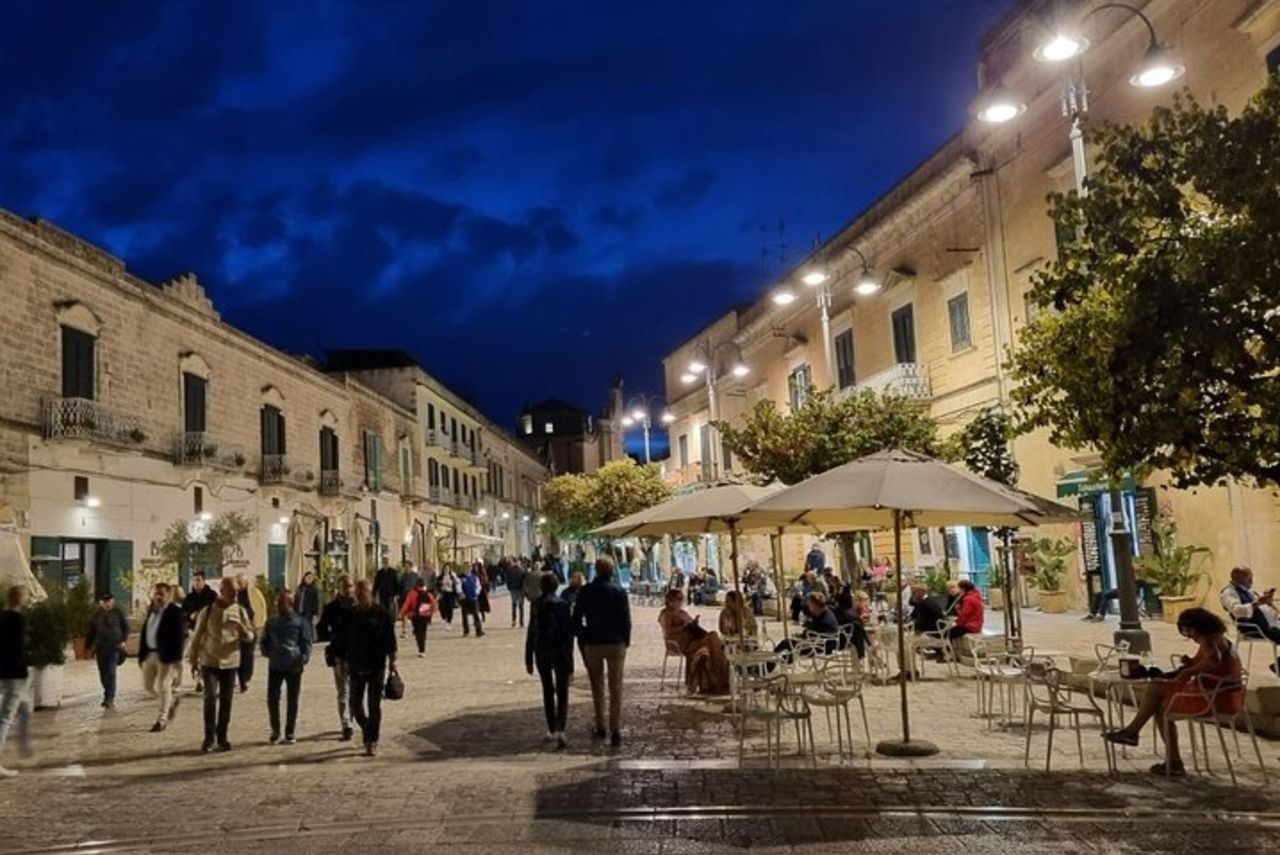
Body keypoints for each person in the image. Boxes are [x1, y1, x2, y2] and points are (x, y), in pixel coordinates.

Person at [1104, 608, 1244, 775]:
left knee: (1156, 687)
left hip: (1212, 699)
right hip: (1228, 697)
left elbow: (1214, 660)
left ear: (1196, 628)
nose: (1188, 636)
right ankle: (1172, 760)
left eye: (1187, 631)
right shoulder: (1219, 639)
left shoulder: (1209, 641)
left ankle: (1133, 732)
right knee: (1162, 706)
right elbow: (1214, 663)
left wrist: (1187, 672)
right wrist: (1191, 663)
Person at [187, 577, 255, 752]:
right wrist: (193, 659)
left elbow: (251, 636)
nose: (234, 596)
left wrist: (243, 631)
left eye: (236, 593)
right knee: (210, 699)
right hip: (210, 661)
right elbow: (196, 636)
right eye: (231, 592)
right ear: (221, 592)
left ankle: (222, 736)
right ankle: (209, 738)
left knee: (226, 701)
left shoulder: (239, 611)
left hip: (231, 662)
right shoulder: (208, 611)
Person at [574, 556, 631, 746]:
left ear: (596, 571)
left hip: (594, 642)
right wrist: (625, 640)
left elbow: (577, 618)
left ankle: (601, 725)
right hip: (615, 642)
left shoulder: (586, 591)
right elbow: (625, 619)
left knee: (597, 685)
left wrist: (582, 635)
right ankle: (615, 728)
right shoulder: (619, 591)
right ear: (612, 571)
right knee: (616, 687)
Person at [346, 579, 398, 756]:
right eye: (358, 593)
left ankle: (372, 740)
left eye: (364, 593)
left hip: (376, 664)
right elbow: (344, 640)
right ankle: (368, 728)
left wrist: (393, 661)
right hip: (355, 664)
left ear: (370, 593)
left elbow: (390, 640)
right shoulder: (351, 614)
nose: (361, 596)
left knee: (373, 705)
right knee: (355, 705)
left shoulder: (381, 614)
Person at [525, 573, 575, 749]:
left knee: (547, 689)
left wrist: (528, 657)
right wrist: (571, 662)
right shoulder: (563, 605)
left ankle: (551, 727)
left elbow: (532, 631)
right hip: (560, 652)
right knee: (562, 691)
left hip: (542, 651)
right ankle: (561, 728)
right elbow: (568, 636)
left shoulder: (537, 605)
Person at [260, 589, 312, 744]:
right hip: (275, 664)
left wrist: (302, 659)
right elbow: (264, 640)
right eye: (278, 601)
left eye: (282, 602)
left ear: (290, 603)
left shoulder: (300, 622)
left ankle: (290, 731)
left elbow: (306, 643)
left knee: (292, 699)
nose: (278, 604)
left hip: (293, 665)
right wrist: (267, 651)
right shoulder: (271, 622)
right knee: (273, 699)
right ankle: (275, 729)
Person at [660, 589, 731, 695]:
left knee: (712, 642)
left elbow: (690, 625)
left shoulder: (682, 613)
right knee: (714, 640)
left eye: (681, 599)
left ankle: (714, 680)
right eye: (678, 599)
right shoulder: (666, 614)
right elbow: (668, 631)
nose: (680, 601)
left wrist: (694, 624)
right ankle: (719, 678)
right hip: (681, 643)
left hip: (693, 640)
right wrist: (683, 626)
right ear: (670, 600)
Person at [138, 583, 186, 732]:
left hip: (165, 656)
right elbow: (146, 632)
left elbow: (179, 637)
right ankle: (170, 702)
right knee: (148, 687)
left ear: (169, 595)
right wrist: (141, 656)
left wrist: (177, 660)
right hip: (149, 654)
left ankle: (162, 719)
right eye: (156, 594)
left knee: (163, 685)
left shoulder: (175, 612)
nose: (158, 597)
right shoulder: (152, 610)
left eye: (161, 594)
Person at [1219, 566, 1280, 674]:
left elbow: (1264, 609)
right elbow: (1237, 610)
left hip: (1272, 623)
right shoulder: (1228, 593)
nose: (1252, 581)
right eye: (1249, 579)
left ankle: (1278, 665)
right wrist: (1258, 603)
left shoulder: (1248, 591)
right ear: (1237, 579)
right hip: (1256, 628)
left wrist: (1268, 602)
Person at [316, 574, 356, 741]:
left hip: (357, 654)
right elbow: (321, 629)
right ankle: (346, 724)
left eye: (350, 586)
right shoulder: (331, 608)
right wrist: (333, 637)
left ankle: (353, 719)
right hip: (339, 654)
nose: (348, 589)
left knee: (356, 690)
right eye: (345, 586)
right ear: (338, 588)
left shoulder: (358, 606)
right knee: (343, 690)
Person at [0, 585, 33, 777]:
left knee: (23, 708)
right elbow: (19, 649)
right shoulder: (17, 620)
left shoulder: (2, 617)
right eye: (26, 595)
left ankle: (24, 743)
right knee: (5, 717)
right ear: (19, 598)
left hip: (5, 672)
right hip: (14, 674)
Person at [85, 591, 129, 710]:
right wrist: (87, 647)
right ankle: (107, 693)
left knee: (111, 672)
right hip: (100, 648)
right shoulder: (96, 615)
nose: (107, 604)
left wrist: (124, 641)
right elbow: (91, 632)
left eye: (109, 601)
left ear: (112, 601)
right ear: (100, 603)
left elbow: (126, 628)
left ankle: (110, 698)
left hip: (115, 647)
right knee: (103, 674)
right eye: (105, 602)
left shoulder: (118, 613)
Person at [182, 571, 217, 693]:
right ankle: (198, 678)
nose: (196, 583)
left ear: (204, 581)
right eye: (194, 580)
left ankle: (204, 680)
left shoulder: (212, 596)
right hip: (193, 630)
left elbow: (216, 612)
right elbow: (183, 613)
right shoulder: (189, 597)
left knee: (205, 656)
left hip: (208, 631)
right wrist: (190, 615)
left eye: (198, 580)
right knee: (195, 656)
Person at [233, 572, 265, 693]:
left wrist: (259, 624)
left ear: (246, 582)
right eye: (237, 583)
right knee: (237, 655)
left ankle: (245, 678)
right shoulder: (233, 594)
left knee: (247, 655)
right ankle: (241, 680)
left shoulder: (254, 593)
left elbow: (261, 608)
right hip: (236, 629)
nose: (239, 585)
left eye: (240, 583)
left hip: (250, 627)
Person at [397, 577, 436, 657]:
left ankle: (420, 647)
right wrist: (431, 613)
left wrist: (401, 613)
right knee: (423, 633)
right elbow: (434, 605)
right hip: (425, 616)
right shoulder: (427, 594)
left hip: (415, 616)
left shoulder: (412, 593)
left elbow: (406, 604)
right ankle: (422, 650)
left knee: (418, 632)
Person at [1084, 576, 1150, 622]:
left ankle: (1101, 615)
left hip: (1128, 589)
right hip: (1122, 587)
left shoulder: (1141, 575)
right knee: (1099, 594)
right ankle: (1092, 614)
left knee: (1106, 595)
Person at [945, 580, 984, 646]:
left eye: (958, 588)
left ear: (963, 589)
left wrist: (956, 623)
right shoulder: (975, 595)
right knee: (951, 631)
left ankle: (950, 652)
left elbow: (964, 615)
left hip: (970, 626)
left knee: (947, 633)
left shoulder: (968, 599)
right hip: (976, 624)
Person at [460, 564, 485, 637]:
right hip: (464, 598)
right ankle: (466, 631)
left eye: (469, 567)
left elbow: (478, 586)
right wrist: (461, 594)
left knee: (476, 614)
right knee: (464, 615)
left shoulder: (474, 577)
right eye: (466, 567)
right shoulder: (461, 577)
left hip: (474, 598)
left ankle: (479, 631)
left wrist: (477, 592)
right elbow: (458, 586)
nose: (467, 569)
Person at [397, 561, 419, 639]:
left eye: (407, 566)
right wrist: (398, 594)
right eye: (405, 566)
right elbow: (399, 586)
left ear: (410, 567)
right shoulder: (402, 576)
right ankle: (404, 631)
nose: (406, 568)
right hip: (403, 597)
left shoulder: (415, 576)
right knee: (404, 614)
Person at [507, 559, 528, 628]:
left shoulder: (510, 571)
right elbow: (525, 581)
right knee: (521, 606)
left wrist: (509, 588)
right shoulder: (522, 571)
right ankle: (521, 622)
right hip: (520, 590)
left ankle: (514, 621)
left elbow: (508, 580)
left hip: (513, 590)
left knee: (514, 605)